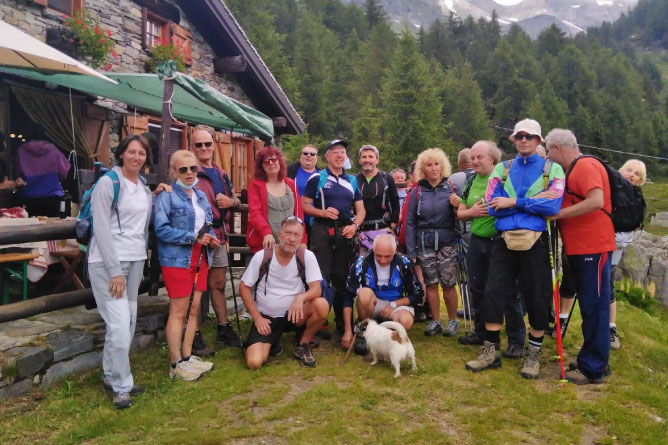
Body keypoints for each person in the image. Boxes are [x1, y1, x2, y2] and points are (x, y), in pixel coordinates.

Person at [465, 119, 564, 380]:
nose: (523, 140)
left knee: (537, 297)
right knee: (493, 293)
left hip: (535, 241)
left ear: (538, 140)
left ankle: (533, 354)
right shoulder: (502, 168)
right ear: (514, 140)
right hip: (504, 238)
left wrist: (513, 202)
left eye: (529, 136)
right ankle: (491, 350)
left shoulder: (552, 169)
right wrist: (531, 203)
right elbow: (490, 202)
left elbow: (553, 206)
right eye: (519, 136)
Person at [87, 135, 153, 409]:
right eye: (132, 152)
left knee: (127, 322)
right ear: (122, 154)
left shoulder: (143, 187)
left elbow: (140, 224)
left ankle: (110, 374)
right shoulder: (108, 183)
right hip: (107, 264)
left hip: (135, 261)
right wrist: (114, 270)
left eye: (142, 153)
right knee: (118, 324)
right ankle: (121, 387)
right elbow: (101, 228)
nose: (136, 157)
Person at [546, 129, 615, 385]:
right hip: (583, 247)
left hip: (592, 247)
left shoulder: (584, 166)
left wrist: (559, 215)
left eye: (547, 150)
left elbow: (596, 201)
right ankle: (595, 358)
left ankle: (593, 368)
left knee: (594, 307)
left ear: (557, 148)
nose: (547, 157)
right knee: (590, 305)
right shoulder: (576, 168)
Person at [556, 158, 647, 351]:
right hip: (596, 241)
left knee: (606, 285)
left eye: (637, 174)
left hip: (611, 245)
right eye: (629, 170)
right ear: (620, 170)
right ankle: (562, 320)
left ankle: (609, 328)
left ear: (641, 180)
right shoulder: (611, 186)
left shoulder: (634, 198)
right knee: (570, 280)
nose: (631, 175)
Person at [154, 150, 220, 382]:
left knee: (194, 310)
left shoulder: (201, 195)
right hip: (177, 259)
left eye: (193, 168)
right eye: (184, 169)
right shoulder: (167, 196)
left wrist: (211, 237)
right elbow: (161, 230)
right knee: (178, 311)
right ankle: (175, 364)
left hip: (201, 258)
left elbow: (207, 224)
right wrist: (193, 237)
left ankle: (187, 356)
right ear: (174, 172)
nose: (190, 173)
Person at [456, 141, 526, 358]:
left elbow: (515, 204)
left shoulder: (504, 179)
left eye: (479, 157)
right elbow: (461, 211)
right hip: (477, 241)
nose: (474, 161)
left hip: (501, 241)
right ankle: (481, 333)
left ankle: (515, 341)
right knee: (476, 288)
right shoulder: (470, 181)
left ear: (493, 160)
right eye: (472, 157)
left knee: (508, 292)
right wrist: (473, 212)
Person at [239, 216, 328, 369]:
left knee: (321, 304)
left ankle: (303, 343)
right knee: (254, 363)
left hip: (295, 315)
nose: (291, 239)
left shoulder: (306, 256)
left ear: (301, 238)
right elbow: (244, 287)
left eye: (296, 235)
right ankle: (274, 342)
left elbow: (316, 289)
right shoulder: (263, 256)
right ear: (279, 234)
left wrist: (301, 298)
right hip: (267, 318)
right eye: (288, 233)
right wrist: (257, 318)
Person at [302, 139, 365, 345]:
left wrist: (354, 226)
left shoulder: (353, 180)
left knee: (342, 276)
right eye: (335, 152)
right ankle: (319, 321)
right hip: (321, 229)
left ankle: (341, 321)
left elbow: (361, 210)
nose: (340, 155)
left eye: (343, 152)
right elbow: (304, 205)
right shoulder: (317, 178)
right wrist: (322, 212)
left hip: (345, 231)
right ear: (327, 156)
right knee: (320, 276)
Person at [190, 129, 241, 355]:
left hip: (220, 235)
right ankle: (193, 332)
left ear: (213, 144)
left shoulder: (220, 173)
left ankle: (223, 327)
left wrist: (231, 201)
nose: (203, 148)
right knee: (195, 286)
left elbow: (236, 198)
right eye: (198, 144)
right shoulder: (189, 171)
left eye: (206, 144)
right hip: (199, 237)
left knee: (218, 284)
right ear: (192, 147)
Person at [404, 148, 460, 338]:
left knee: (449, 283)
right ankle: (436, 320)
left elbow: (461, 216)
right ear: (423, 168)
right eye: (429, 165)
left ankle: (452, 320)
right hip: (424, 243)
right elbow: (409, 222)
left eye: (437, 164)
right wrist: (411, 251)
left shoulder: (451, 188)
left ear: (442, 166)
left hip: (447, 243)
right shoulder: (416, 191)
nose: (434, 168)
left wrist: (458, 206)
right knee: (431, 284)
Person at [344, 234, 424, 355]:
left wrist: (394, 304)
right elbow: (348, 296)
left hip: (396, 304)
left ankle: (385, 335)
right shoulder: (361, 262)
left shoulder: (404, 262)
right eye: (378, 256)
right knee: (364, 293)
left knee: (406, 321)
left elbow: (417, 294)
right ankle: (364, 331)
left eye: (388, 256)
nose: (382, 260)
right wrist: (347, 330)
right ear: (373, 250)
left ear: (395, 251)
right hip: (372, 302)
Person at [247, 147, 307, 253]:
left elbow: (299, 214)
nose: (271, 163)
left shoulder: (291, 184)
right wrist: (266, 233)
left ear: (280, 162)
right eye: (266, 161)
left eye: (274, 160)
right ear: (261, 166)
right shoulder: (255, 185)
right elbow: (255, 214)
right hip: (265, 243)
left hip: (290, 243)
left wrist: (302, 240)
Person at [356, 144, 400, 252]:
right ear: (359, 160)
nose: (367, 160)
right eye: (364, 157)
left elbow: (395, 203)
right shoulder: (354, 180)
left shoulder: (387, 178)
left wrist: (393, 226)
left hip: (383, 229)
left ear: (377, 160)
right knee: (363, 266)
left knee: (385, 263)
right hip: (361, 232)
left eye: (371, 157)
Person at [15, 139, 70, 217]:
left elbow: (19, 174)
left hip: (30, 197)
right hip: (52, 196)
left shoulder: (20, 151)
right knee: (53, 226)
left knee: (30, 227)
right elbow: (64, 172)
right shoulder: (54, 151)